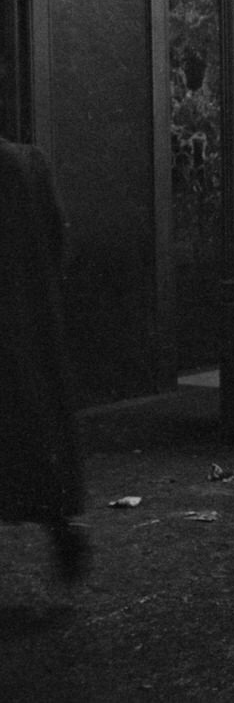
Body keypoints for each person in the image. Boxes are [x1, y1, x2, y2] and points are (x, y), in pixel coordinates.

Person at [0, 137, 89, 583]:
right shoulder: (28, 165)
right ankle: (60, 526)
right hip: (24, 322)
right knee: (34, 427)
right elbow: (58, 243)